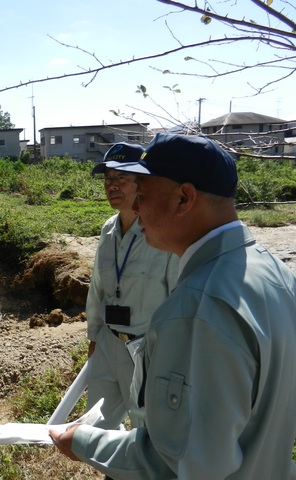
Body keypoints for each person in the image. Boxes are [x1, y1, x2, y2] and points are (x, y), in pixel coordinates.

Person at [50, 133, 296, 479]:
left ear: (184, 198)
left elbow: (180, 462)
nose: (135, 207)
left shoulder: (195, 311)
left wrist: (85, 444)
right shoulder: (276, 274)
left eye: (144, 195)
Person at [83, 143, 178, 431]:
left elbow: (177, 297)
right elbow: (98, 288)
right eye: (108, 179)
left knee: (147, 431)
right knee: (96, 428)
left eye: (122, 178)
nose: (112, 186)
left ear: (142, 182)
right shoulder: (108, 229)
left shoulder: (162, 233)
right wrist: (94, 339)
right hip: (109, 344)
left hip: (148, 350)